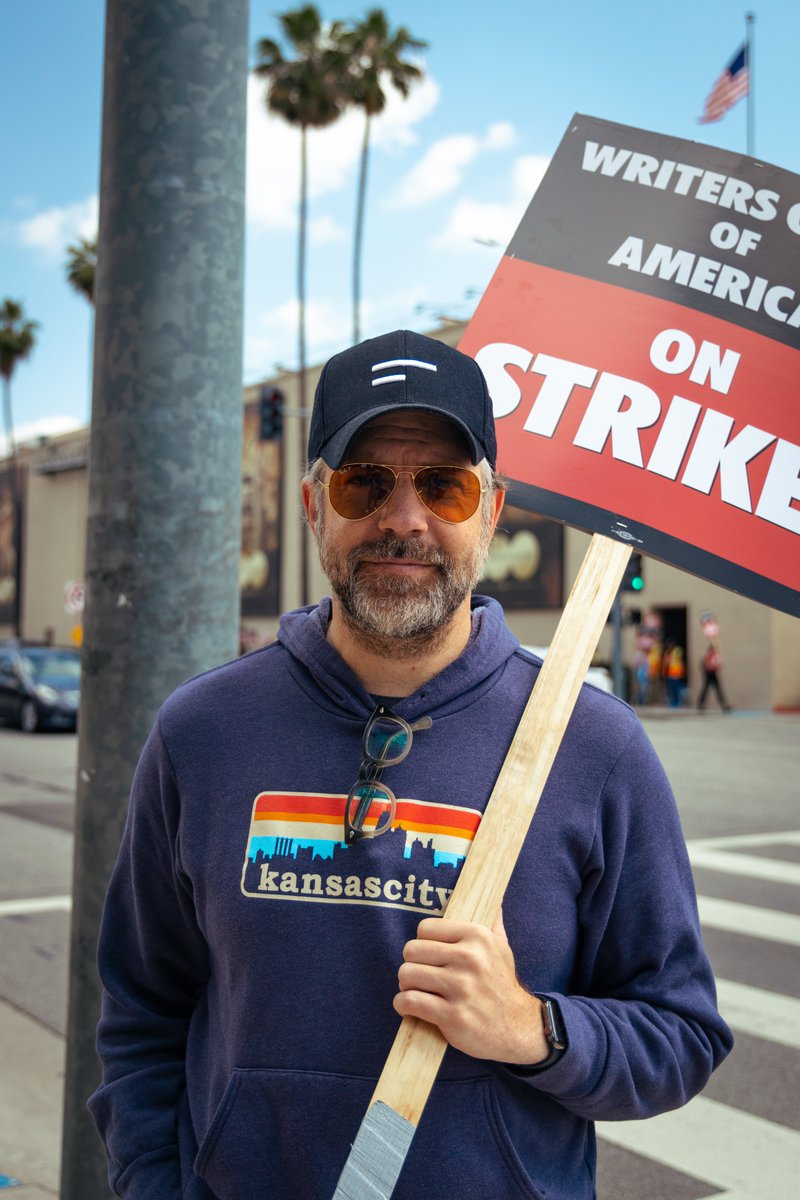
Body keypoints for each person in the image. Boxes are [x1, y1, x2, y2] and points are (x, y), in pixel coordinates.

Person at [89, 330, 732, 1200]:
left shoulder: (597, 747)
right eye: (366, 483)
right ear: (316, 505)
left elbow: (681, 1037)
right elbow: (143, 1010)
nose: (403, 519)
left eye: (444, 485)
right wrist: (151, 1185)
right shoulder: (202, 731)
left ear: (493, 510)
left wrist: (532, 1028)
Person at [698, 640, 731, 711]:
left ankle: (724, 705)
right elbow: (707, 664)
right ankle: (701, 704)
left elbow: (717, 664)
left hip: (713, 673)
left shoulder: (713, 655)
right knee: (708, 689)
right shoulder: (709, 654)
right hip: (709, 673)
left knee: (717, 689)